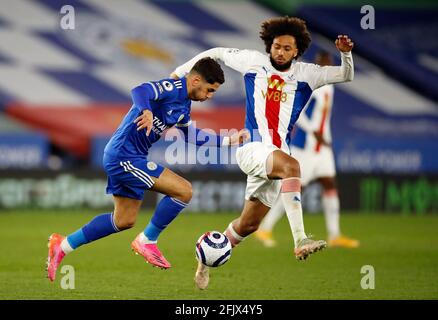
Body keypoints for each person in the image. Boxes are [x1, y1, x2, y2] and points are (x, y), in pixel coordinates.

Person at [172, 16, 354, 290]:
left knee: (247, 226)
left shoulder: (308, 74)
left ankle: (205, 259)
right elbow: (216, 53)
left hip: (276, 154)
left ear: (297, 51)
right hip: (253, 147)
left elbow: (345, 74)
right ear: (270, 45)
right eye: (276, 46)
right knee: (293, 167)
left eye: (287, 49)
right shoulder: (252, 61)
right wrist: (179, 73)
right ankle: (300, 239)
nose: (280, 52)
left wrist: (346, 54)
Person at [46, 57, 249, 282]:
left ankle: (62, 246)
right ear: (196, 80)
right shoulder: (173, 88)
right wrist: (146, 110)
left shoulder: (184, 106)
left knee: (123, 220)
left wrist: (229, 141)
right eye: (209, 90)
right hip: (123, 155)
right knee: (184, 191)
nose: (209, 96)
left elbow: (191, 135)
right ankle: (148, 240)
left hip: (131, 156)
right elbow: (140, 90)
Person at [255, 51, 360, 249]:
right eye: (323, 62)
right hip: (306, 147)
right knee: (295, 188)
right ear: (317, 64)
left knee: (329, 184)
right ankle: (265, 228)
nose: (326, 66)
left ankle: (335, 234)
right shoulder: (313, 86)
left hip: (322, 149)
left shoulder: (330, 86)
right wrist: (313, 131)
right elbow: (297, 112)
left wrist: (325, 137)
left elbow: (323, 119)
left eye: (329, 62)